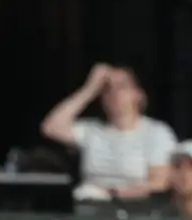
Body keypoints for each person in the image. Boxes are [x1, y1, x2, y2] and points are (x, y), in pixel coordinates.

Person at [41, 64, 177, 201]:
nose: (114, 93)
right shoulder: (92, 130)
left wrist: (113, 194)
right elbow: (50, 128)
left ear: (138, 95)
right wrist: (89, 89)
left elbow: (160, 183)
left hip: (134, 209)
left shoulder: (157, 133)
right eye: (107, 88)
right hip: (89, 206)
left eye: (121, 86)